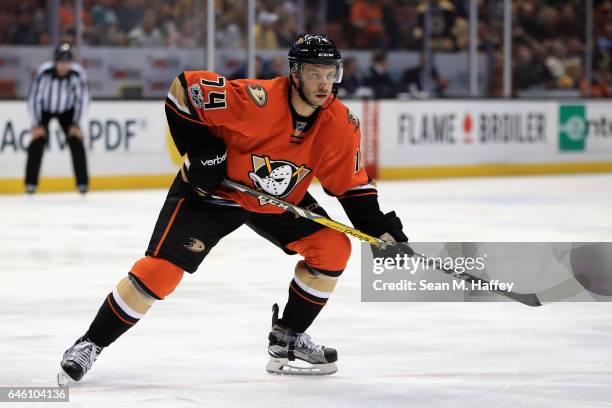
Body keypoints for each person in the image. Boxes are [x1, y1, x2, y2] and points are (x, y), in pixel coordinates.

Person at [57, 33, 408, 383]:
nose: (324, 84)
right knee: (160, 273)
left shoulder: (340, 125)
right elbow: (184, 90)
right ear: (296, 73)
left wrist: (377, 227)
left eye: (330, 74)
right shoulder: (256, 101)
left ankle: (287, 339)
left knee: (333, 248)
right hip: (217, 193)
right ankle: (90, 344)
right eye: (315, 73)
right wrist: (204, 150)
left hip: (279, 200)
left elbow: (350, 184)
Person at [25, 42, 90, 194]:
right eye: (61, 62)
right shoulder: (44, 72)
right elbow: (33, 98)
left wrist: (76, 123)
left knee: (76, 140)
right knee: (37, 140)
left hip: (67, 111)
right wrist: (36, 124)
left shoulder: (77, 74)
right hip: (45, 110)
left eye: (67, 62)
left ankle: (82, 184)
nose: (64, 66)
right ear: (55, 61)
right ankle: (30, 184)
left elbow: (83, 100)